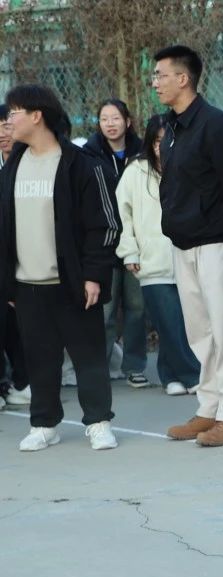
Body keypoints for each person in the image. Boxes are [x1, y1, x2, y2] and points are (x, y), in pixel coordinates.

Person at [0, 85, 119, 451]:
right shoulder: (12, 167)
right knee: (39, 358)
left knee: (88, 356)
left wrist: (93, 275)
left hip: (73, 282)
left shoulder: (81, 165)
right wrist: (8, 285)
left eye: (14, 113)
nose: (8, 121)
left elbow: (105, 225)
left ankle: (98, 422)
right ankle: (44, 424)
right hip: (26, 284)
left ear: (37, 116)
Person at [153, 44, 223, 447]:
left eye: (161, 75)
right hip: (183, 243)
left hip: (216, 242)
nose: (155, 82)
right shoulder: (172, 127)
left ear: (184, 78)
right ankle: (209, 407)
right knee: (200, 331)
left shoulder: (215, 124)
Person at [116, 114, 200, 397]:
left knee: (180, 323)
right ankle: (192, 374)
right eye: (157, 141)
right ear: (150, 143)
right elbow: (123, 216)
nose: (162, 146)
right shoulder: (135, 171)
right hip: (153, 261)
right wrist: (129, 252)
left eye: (168, 141)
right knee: (170, 320)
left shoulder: (189, 166)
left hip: (188, 257)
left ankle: (170, 376)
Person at [84, 98, 148, 388]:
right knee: (106, 311)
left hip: (137, 241)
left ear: (128, 121)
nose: (110, 124)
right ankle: (100, 368)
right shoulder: (89, 154)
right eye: (104, 119)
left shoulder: (142, 153)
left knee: (137, 307)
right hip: (104, 243)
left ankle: (134, 366)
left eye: (116, 118)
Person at [0, 103, 30, 412]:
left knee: (19, 324)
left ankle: (23, 382)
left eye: (7, 125)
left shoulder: (31, 165)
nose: (2, 133)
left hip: (26, 258)